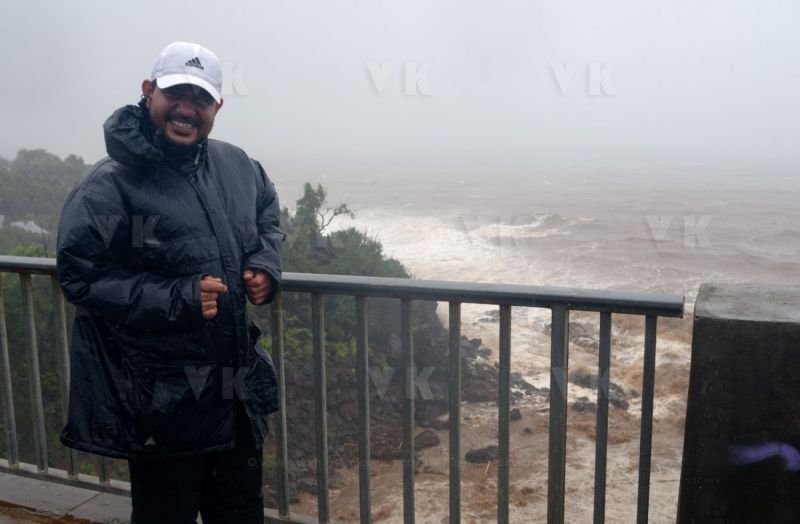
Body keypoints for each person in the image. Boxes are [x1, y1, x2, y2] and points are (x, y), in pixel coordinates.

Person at [56, 41, 283, 524]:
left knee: (242, 514)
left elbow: (267, 212)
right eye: (175, 93)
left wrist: (265, 263)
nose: (186, 108)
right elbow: (80, 272)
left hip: (235, 393)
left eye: (200, 98)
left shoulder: (237, 165)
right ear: (149, 92)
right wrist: (176, 298)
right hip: (165, 403)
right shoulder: (112, 182)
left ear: (216, 107)